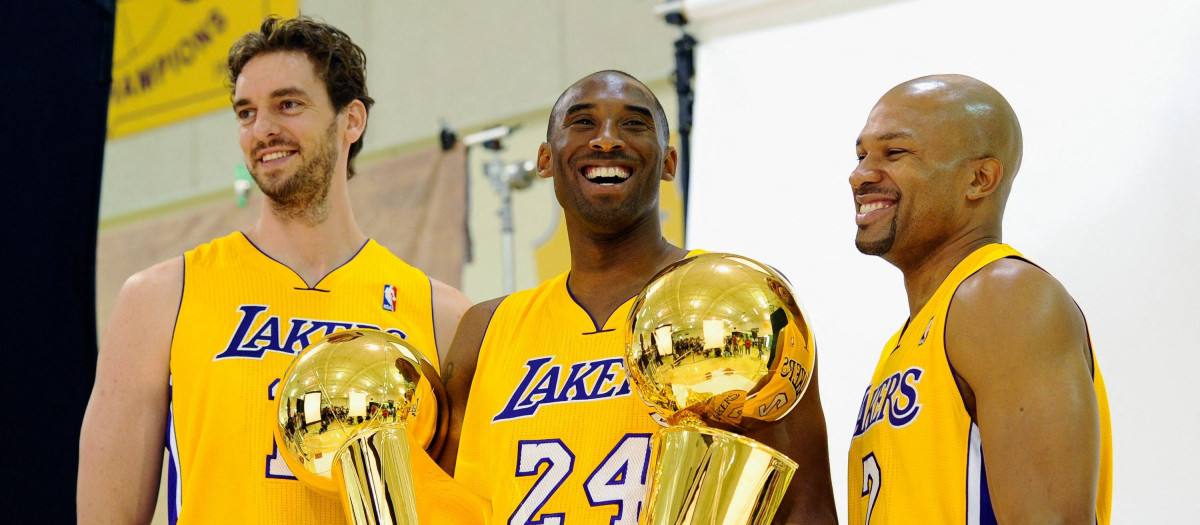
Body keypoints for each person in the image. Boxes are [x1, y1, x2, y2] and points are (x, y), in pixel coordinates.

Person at [77, 16, 474, 524]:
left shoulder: (442, 313)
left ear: (351, 120)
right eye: (246, 112)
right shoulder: (160, 296)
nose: (263, 129)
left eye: (288, 104)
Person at [438, 70, 837, 524]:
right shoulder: (485, 331)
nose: (606, 140)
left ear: (668, 163)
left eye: (633, 124)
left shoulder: (741, 301)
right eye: (583, 122)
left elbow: (807, 507)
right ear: (546, 159)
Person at [846, 74, 1112, 524]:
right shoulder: (908, 339)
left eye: (894, 153)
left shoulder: (1003, 295)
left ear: (979, 179)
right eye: (860, 155)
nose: (861, 174)